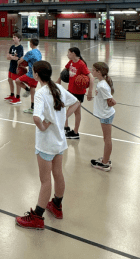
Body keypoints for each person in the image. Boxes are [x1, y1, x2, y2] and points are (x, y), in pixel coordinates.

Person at [15, 61, 80, 229]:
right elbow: (76, 102)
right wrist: (63, 118)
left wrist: (43, 126)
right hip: (59, 142)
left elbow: (36, 118)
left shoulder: (40, 93)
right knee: (58, 174)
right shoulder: (58, 88)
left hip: (46, 144)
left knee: (45, 181)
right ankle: (57, 205)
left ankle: (37, 216)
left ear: (36, 75)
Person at [55, 47, 94, 139]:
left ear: (73, 53)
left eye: (68, 53)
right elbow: (65, 70)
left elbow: (91, 78)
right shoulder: (71, 62)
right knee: (76, 113)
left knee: (66, 113)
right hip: (70, 91)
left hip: (78, 94)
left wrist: (90, 92)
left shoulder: (81, 64)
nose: (67, 54)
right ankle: (71, 130)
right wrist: (59, 79)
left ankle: (64, 128)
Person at [90, 62, 115, 171]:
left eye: (94, 70)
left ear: (99, 72)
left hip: (106, 115)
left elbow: (112, 101)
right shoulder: (102, 82)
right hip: (105, 114)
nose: (92, 71)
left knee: (107, 139)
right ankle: (105, 158)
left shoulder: (102, 85)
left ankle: (105, 163)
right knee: (106, 138)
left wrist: (106, 106)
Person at [12, 38, 42, 114]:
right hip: (37, 75)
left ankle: (26, 89)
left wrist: (19, 64)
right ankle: (32, 107)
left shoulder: (30, 52)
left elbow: (21, 61)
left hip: (31, 75)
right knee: (33, 91)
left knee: (17, 81)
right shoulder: (39, 52)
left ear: (31, 44)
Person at [4, 33, 26, 102]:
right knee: (10, 80)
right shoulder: (12, 47)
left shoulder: (20, 47)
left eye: (15, 37)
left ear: (19, 39)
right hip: (11, 66)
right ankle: (12, 95)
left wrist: (12, 57)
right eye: (13, 37)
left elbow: (18, 58)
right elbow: (8, 57)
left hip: (17, 68)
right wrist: (12, 57)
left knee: (17, 82)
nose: (13, 38)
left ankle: (18, 97)